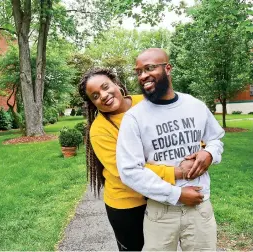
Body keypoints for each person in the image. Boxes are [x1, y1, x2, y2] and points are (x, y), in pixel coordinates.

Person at [78, 67, 207, 251]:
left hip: (159, 196)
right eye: (95, 96)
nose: (104, 95)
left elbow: (177, 128)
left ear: (116, 83)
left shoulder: (147, 102)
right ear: (93, 103)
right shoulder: (100, 131)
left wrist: (201, 150)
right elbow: (127, 171)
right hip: (129, 205)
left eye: (106, 87)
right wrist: (178, 172)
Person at [116, 48, 225, 251]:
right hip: (161, 212)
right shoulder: (134, 118)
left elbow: (216, 139)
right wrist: (176, 194)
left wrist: (209, 153)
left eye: (149, 68)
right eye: (138, 71)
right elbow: (129, 171)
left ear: (167, 68)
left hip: (199, 208)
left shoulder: (195, 106)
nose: (143, 76)